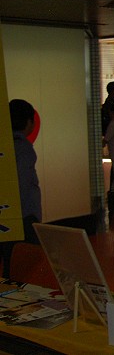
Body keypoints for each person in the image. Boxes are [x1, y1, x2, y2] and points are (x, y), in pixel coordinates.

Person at [1, 99, 42, 278]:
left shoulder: (5, 145)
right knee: (26, 266)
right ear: (28, 122)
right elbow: (22, 184)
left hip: (6, 214)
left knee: (9, 261)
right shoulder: (24, 148)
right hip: (24, 215)